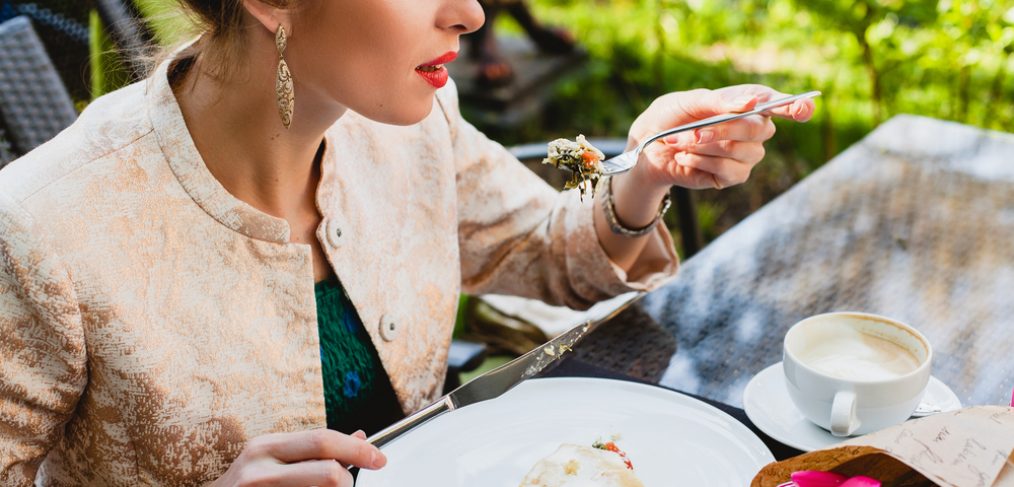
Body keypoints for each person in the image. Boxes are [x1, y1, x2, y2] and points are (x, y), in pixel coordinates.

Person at [0, 0, 814, 485]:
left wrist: (643, 172)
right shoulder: (43, 229)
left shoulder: (417, 124)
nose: (472, 14)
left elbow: (541, 245)